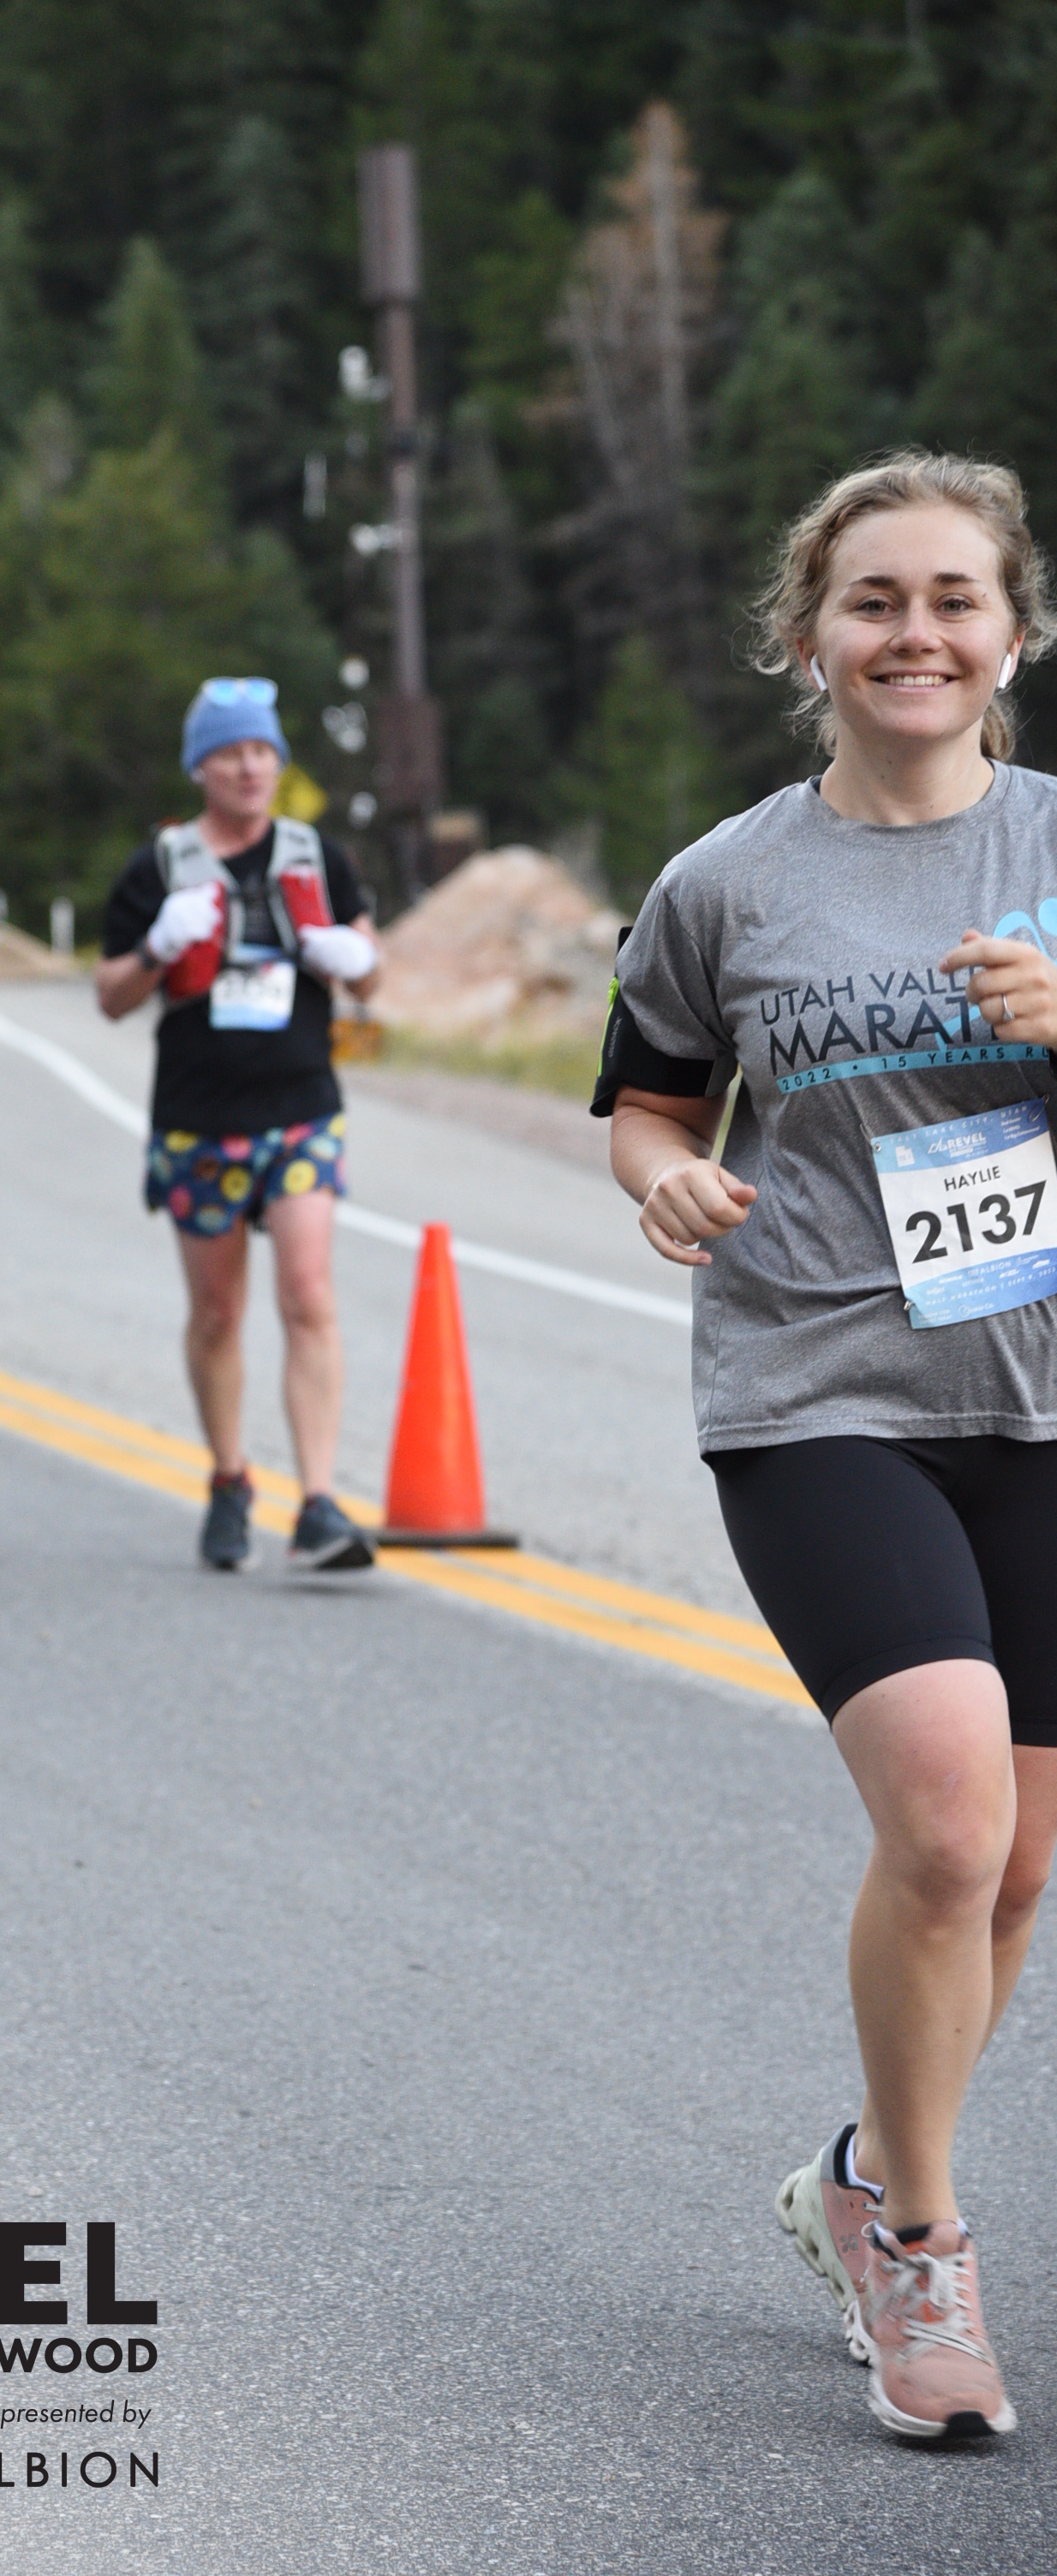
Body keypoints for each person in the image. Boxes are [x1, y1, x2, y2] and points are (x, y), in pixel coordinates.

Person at [594, 451, 1057, 2443]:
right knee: (945, 1822)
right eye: (872, 600)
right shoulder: (726, 882)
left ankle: (857, 2172)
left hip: (1037, 1392)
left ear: (1011, 633)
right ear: (806, 636)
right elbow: (646, 1098)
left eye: (951, 599)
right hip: (814, 1384)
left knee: (1013, 1869)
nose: (912, 633)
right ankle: (921, 2249)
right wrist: (660, 1179)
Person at [97, 675, 381, 1573]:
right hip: (198, 1118)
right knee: (218, 1313)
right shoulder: (158, 868)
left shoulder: (316, 856)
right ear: (200, 768)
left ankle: (319, 1502)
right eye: (229, 754)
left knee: (309, 1295)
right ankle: (228, 1478)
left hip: (301, 1107)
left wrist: (354, 956)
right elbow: (110, 996)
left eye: (262, 751)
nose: (249, 767)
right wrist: (157, 947)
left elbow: (372, 972)